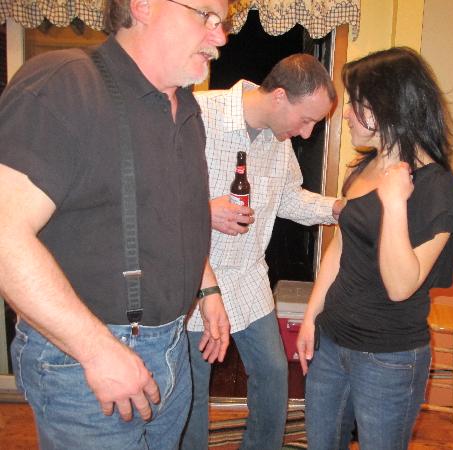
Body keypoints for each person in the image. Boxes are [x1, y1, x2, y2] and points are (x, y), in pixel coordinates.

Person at [0, 0, 232, 448]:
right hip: (85, 361)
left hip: (172, 346)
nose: (219, 37)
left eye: (222, 23)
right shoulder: (64, 84)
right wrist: (97, 351)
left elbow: (170, 217)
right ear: (143, 6)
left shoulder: (186, 109)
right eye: (205, 14)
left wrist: (208, 289)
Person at [296, 46, 453, 450]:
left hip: (388, 358)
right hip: (332, 341)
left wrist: (394, 203)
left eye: (354, 103)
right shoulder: (364, 168)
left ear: (386, 107)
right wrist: (311, 317)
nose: (345, 113)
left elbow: (400, 286)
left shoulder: (438, 189)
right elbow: (339, 249)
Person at [182, 54, 344, 450]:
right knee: (192, 392)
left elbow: (288, 198)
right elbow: (153, 196)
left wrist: (337, 208)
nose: (307, 133)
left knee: (273, 374)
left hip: (249, 275)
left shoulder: (279, 140)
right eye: (306, 120)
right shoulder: (197, 114)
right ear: (280, 97)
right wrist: (203, 211)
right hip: (194, 278)